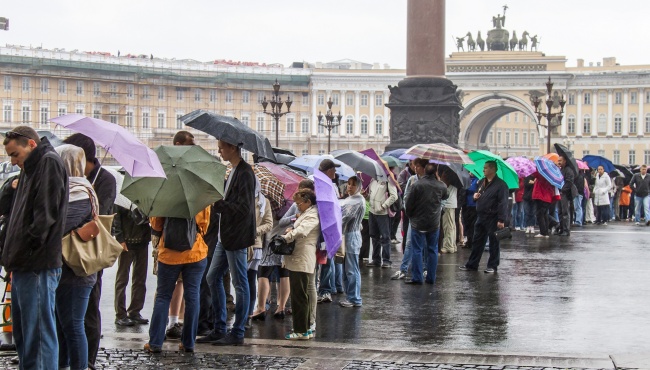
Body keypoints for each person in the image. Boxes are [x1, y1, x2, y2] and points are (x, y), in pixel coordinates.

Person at [3, 127, 68, 369]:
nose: (13, 161)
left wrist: (25, 249)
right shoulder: (32, 167)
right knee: (26, 335)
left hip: (36, 264)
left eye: (15, 154)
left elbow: (43, 218)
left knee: (38, 336)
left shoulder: (48, 163)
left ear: (30, 144)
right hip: (25, 264)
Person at [63, 133, 116, 369]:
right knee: (67, 318)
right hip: (66, 255)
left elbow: (100, 216)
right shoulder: (71, 182)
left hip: (87, 254)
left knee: (87, 312)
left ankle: (88, 359)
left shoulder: (104, 180)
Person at [199, 139, 256, 346]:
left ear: (233, 148)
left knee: (240, 284)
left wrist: (219, 204)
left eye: (222, 147)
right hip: (225, 236)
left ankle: (238, 331)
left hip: (237, 236)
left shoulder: (245, 172)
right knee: (212, 277)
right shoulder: (232, 170)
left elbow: (244, 208)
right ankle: (220, 327)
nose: (219, 151)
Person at [54, 144, 99, 370]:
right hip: (66, 268)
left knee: (72, 325)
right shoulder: (67, 188)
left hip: (77, 270)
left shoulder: (79, 191)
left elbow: (60, 226)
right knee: (63, 325)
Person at [144, 205, 210, 353]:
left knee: (163, 296)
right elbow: (204, 224)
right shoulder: (199, 194)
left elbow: (156, 224)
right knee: (192, 296)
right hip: (195, 251)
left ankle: (155, 342)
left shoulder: (166, 195)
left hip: (169, 253)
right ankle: (188, 343)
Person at [161, 131, 196, 339]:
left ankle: (177, 322)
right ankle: (173, 324)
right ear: (177, 144)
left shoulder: (170, 169)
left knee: (179, 286)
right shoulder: (174, 171)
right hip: (176, 238)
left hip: (178, 239)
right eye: (189, 144)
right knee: (168, 288)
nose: (193, 147)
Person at [281, 189, 320, 339]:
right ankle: (305, 328)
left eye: (299, 203)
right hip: (299, 257)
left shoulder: (312, 214)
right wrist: (292, 228)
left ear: (308, 202)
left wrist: (286, 237)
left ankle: (301, 330)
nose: (297, 206)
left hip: (302, 258)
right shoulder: (308, 212)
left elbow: (303, 230)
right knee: (301, 294)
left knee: (299, 295)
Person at [460, 161, 509, 273]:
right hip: (481, 216)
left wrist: (501, 220)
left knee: (493, 242)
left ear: (493, 169)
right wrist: (475, 197)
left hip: (493, 217)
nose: (483, 170)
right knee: (477, 241)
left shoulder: (501, 185)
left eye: (485, 168)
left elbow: (503, 203)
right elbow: (478, 194)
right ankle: (472, 264)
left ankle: (492, 266)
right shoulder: (482, 182)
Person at [404, 163, 448, 284]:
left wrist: (410, 215)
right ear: (435, 172)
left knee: (417, 250)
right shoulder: (441, 186)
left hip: (417, 223)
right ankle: (431, 277)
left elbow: (409, 203)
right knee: (432, 250)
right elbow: (445, 196)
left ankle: (417, 277)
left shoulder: (417, 185)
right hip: (433, 223)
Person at [113, 203, 151, 327]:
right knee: (122, 279)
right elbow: (116, 218)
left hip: (143, 240)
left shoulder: (145, 197)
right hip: (127, 241)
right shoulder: (121, 198)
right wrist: (120, 239)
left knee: (140, 278)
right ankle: (120, 314)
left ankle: (135, 311)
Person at [392, 158, 427, 280]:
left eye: (417, 166)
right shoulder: (412, 179)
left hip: (426, 217)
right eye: (414, 166)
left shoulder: (430, 181)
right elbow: (406, 196)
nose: (415, 168)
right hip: (414, 217)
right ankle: (403, 269)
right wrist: (409, 210)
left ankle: (424, 269)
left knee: (424, 244)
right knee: (409, 243)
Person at [245, 181, 273, 327]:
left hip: (255, 245)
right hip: (239, 243)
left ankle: (247, 314)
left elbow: (269, 223)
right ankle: (244, 314)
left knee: (248, 280)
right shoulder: (241, 197)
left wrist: (255, 230)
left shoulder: (263, 201)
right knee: (242, 281)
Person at [339, 176, 366, 307]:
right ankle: (350, 296)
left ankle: (355, 298)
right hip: (346, 236)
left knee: (352, 269)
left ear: (359, 187)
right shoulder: (349, 199)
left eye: (353, 185)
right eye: (348, 184)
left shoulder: (359, 200)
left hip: (352, 236)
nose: (349, 187)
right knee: (346, 269)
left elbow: (347, 217)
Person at [365, 175, 398, 268]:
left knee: (385, 236)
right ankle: (376, 259)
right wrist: (366, 196)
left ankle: (386, 260)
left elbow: (394, 196)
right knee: (374, 236)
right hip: (372, 212)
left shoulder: (388, 180)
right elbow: (371, 197)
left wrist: (383, 206)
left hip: (383, 214)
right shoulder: (372, 180)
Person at [556, 155, 576, 236]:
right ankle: (561, 228)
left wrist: (562, 190)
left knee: (565, 212)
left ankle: (566, 230)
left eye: (560, 160)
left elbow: (569, 182)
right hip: (560, 192)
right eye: (558, 160)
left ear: (565, 161)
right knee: (560, 212)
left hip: (565, 194)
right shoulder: (561, 170)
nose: (559, 162)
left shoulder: (568, 170)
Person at [440, 176, 457, 254]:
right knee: (451, 225)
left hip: (448, 204)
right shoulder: (456, 179)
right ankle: (452, 245)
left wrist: (440, 179)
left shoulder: (448, 179)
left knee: (448, 226)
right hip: (451, 204)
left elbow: (444, 187)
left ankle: (448, 246)